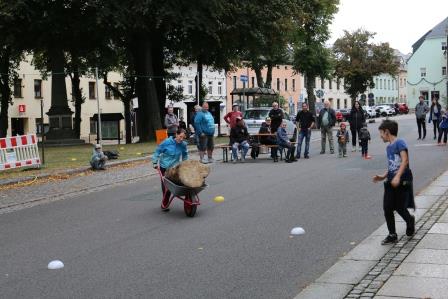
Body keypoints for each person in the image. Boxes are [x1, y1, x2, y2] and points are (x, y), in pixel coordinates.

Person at [373, 120, 415, 245]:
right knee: (387, 207)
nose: (380, 136)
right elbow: (392, 165)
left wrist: (397, 176)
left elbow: (405, 160)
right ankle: (392, 235)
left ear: (387, 132)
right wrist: (383, 176)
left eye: (381, 133)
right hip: (391, 180)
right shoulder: (388, 147)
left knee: (399, 207)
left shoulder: (399, 142)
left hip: (402, 180)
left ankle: (410, 220)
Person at [152, 128, 188, 211]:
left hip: (175, 168)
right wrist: (154, 162)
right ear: (176, 134)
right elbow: (157, 151)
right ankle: (164, 203)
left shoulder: (183, 145)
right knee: (167, 187)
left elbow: (185, 155)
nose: (181, 139)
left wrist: (185, 164)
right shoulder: (167, 142)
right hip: (164, 167)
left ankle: (188, 197)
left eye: (183, 137)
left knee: (181, 182)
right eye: (180, 136)